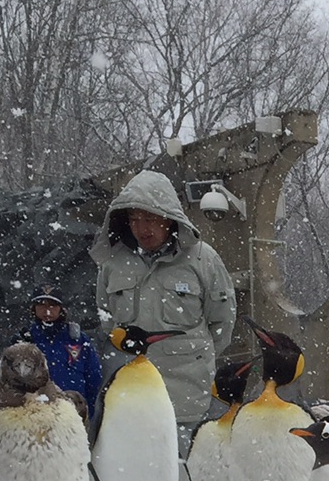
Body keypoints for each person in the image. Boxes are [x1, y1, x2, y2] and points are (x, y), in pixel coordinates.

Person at [90, 171, 236, 426]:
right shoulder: (112, 263)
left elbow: (222, 324)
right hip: (130, 399)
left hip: (186, 402)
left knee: (183, 465)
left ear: (169, 219)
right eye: (134, 219)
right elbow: (107, 319)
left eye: (149, 218)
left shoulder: (203, 259)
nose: (141, 228)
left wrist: (189, 356)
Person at [22, 287, 103, 415]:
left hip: (73, 413)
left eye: (53, 305)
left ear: (61, 309)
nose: (47, 310)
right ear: (33, 308)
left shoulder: (78, 339)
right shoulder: (24, 341)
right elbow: (10, 382)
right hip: (35, 414)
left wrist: (91, 413)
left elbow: (93, 377)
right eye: (41, 304)